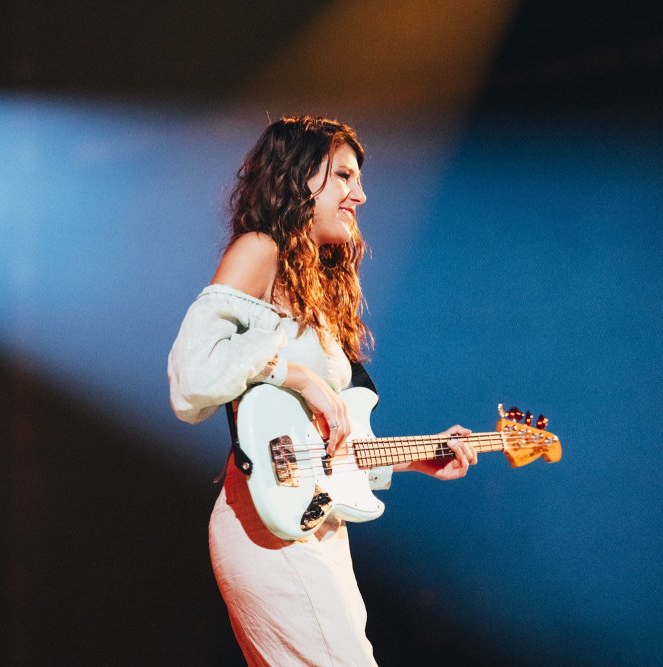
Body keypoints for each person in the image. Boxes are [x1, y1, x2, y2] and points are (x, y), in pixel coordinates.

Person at [167, 115, 479, 666]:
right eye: (343, 176)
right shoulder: (257, 250)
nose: (359, 194)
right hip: (265, 524)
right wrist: (297, 375)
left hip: (319, 527)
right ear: (297, 177)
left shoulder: (319, 285)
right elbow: (191, 378)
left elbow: (325, 446)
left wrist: (420, 458)